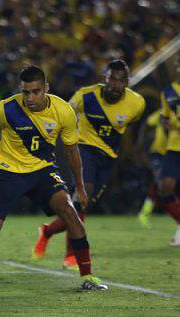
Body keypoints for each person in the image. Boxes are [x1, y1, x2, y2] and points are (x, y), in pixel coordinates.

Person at [0, 65, 107, 290]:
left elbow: (72, 151)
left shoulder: (63, 111)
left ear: (46, 88)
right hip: (7, 172)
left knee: (70, 212)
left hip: (42, 171)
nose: (30, 97)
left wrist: (80, 187)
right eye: (25, 92)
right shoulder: (7, 108)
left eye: (35, 91)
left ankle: (88, 277)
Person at [32, 60, 145, 269]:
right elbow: (63, 113)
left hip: (108, 158)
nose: (115, 84)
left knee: (80, 206)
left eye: (121, 81)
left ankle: (47, 231)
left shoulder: (137, 103)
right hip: (84, 149)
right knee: (82, 198)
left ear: (127, 83)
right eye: (112, 78)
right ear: (105, 78)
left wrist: (131, 151)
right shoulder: (86, 95)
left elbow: (131, 127)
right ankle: (71, 255)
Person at [157, 54, 180, 246]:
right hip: (174, 146)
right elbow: (164, 117)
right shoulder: (167, 91)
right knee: (165, 189)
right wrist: (165, 122)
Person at [137, 109, 167, 228]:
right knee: (160, 182)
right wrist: (141, 145)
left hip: (174, 153)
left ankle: (144, 213)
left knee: (157, 185)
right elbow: (147, 125)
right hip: (158, 153)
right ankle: (144, 214)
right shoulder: (162, 112)